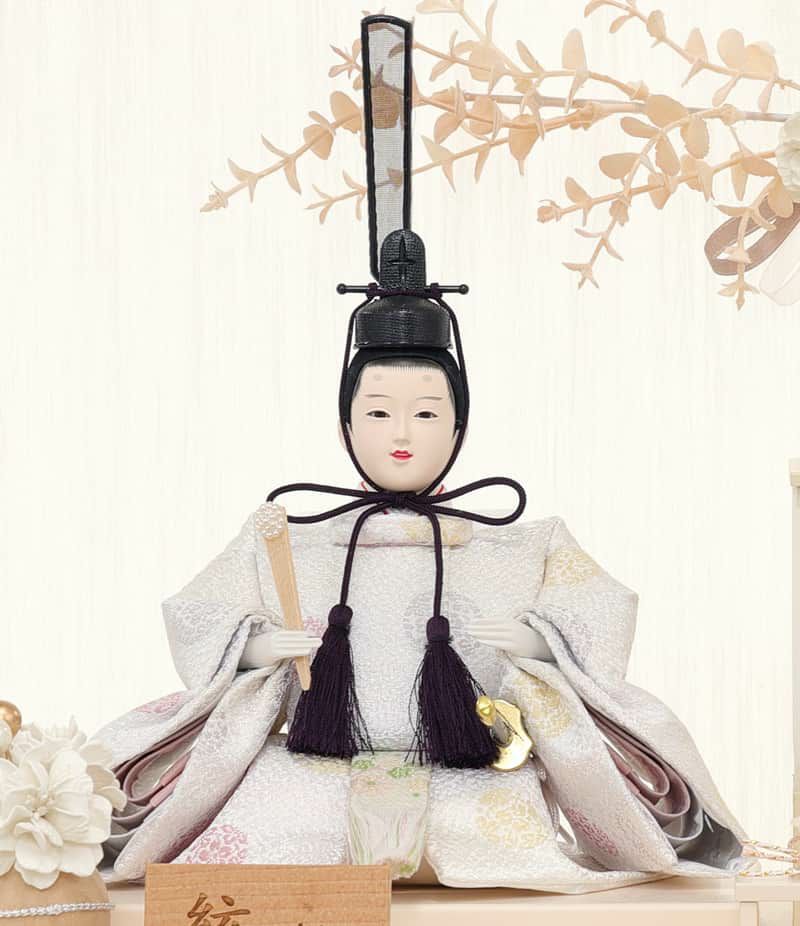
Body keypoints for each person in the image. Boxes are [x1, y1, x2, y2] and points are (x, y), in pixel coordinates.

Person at [92, 13, 747, 890]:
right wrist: (251, 645)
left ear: (460, 427)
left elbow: (601, 618)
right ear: (344, 427)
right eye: (379, 411)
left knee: (497, 820)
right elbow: (197, 616)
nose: (402, 433)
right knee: (272, 809)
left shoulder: (525, 546)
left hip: (466, 775)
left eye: (427, 412)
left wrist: (541, 639)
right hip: (313, 773)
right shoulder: (284, 539)